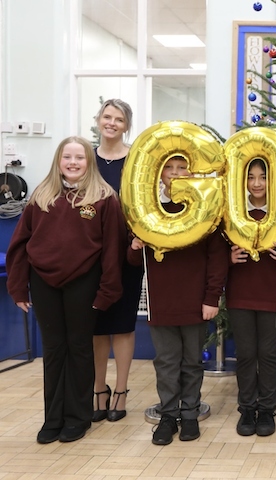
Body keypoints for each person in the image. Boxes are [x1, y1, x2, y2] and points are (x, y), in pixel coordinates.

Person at [6, 136, 125, 444]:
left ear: (89, 162)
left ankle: (77, 417)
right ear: (58, 161)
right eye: (67, 157)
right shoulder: (41, 197)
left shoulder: (104, 198)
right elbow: (20, 245)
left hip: (83, 283)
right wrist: (19, 287)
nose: (73, 163)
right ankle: (53, 418)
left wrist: (107, 290)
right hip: (43, 282)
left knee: (79, 347)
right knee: (54, 349)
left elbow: (113, 248)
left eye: (80, 158)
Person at [128, 156, 228, 446]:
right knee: (166, 362)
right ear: (158, 174)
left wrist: (212, 298)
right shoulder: (148, 209)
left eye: (181, 168)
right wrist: (135, 245)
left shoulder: (205, 208)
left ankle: (190, 414)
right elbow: (134, 259)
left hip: (196, 300)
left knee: (192, 362)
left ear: (192, 172)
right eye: (168, 168)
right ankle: (169, 415)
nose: (174, 174)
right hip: (162, 301)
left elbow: (217, 258)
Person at [226, 158, 276, 437]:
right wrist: (229, 258)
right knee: (245, 354)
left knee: (268, 354)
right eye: (251, 177)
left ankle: (267, 409)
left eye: (263, 177)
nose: (257, 183)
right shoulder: (232, 213)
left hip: (271, 294)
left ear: (272, 181)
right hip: (239, 294)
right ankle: (247, 408)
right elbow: (217, 254)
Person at [92, 98, 144, 423]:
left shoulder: (136, 161)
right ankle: (99, 389)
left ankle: (121, 391)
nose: (112, 123)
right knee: (97, 327)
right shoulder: (86, 158)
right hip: (91, 257)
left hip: (127, 253)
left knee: (123, 324)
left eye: (119, 119)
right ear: (99, 119)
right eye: (107, 117)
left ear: (126, 126)